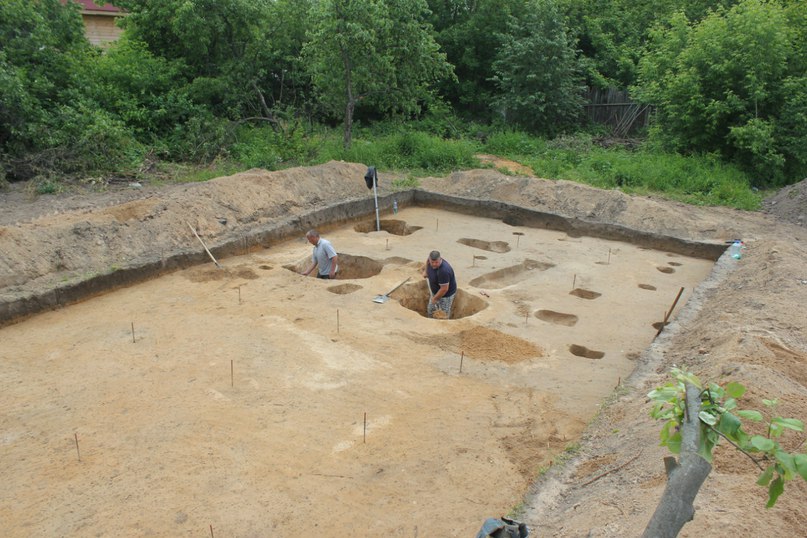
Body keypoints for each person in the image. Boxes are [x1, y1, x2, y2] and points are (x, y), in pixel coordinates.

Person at [421, 250, 457, 319]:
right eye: (432, 262)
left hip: (446, 295)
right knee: (431, 310)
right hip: (435, 291)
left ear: (440, 259)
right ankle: (431, 324)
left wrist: (435, 298)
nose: (434, 264)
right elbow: (427, 261)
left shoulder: (444, 271)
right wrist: (426, 271)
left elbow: (444, 289)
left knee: (443, 314)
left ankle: (444, 326)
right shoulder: (430, 260)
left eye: (436, 262)